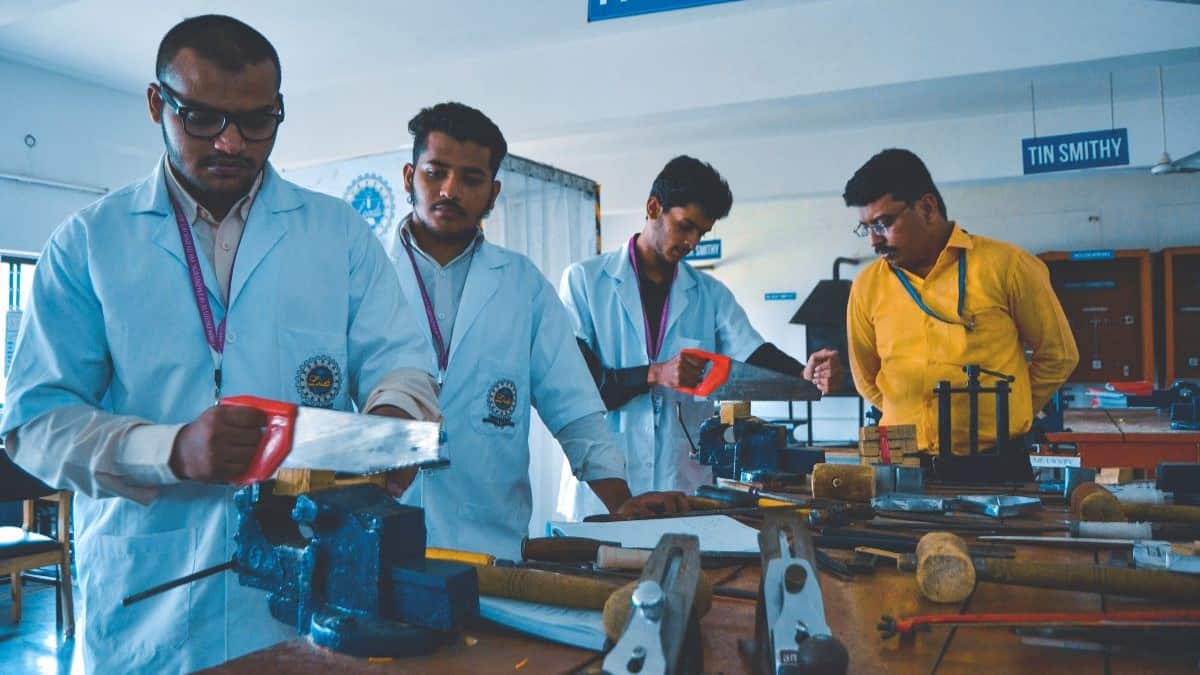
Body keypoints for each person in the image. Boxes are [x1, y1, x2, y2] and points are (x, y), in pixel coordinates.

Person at [1, 15, 440, 673]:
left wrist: (390, 425)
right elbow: (35, 423)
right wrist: (171, 449)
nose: (231, 142)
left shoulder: (337, 235)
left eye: (257, 121)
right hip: (150, 600)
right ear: (158, 103)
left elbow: (401, 363)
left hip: (311, 597)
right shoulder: (90, 243)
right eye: (203, 118)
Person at [379, 102, 685, 560]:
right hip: (378, 537)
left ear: (493, 193)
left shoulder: (522, 285)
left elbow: (573, 406)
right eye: (435, 173)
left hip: (490, 543)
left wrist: (621, 502)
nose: (450, 190)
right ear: (409, 178)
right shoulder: (366, 276)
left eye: (471, 179)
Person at [559, 156, 844, 509]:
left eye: (702, 233)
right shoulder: (585, 281)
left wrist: (802, 374)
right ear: (653, 208)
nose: (692, 242)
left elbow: (751, 351)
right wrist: (656, 374)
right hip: (607, 484)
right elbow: (579, 386)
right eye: (685, 226)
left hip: (682, 481)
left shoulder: (709, 294)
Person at [842, 148, 1078, 455]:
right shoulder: (866, 286)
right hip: (898, 452)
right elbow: (866, 379)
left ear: (927, 208)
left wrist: (1009, 411)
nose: (874, 241)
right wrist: (910, 418)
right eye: (867, 229)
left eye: (883, 224)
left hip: (994, 455)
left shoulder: (1009, 266)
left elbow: (1059, 356)